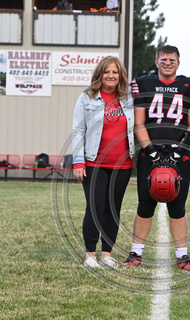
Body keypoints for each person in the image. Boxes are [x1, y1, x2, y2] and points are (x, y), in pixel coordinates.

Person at [125, 45, 190, 271]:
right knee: (145, 204)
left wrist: (179, 150)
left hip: (180, 151)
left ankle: (183, 256)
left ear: (178, 63)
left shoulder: (189, 86)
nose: (167, 63)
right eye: (163, 59)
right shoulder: (144, 83)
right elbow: (139, 122)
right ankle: (135, 254)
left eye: (171, 60)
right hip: (151, 150)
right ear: (156, 61)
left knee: (178, 205)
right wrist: (150, 150)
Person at [72, 56, 134, 268]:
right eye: (107, 72)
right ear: (100, 74)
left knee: (112, 209)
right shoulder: (87, 98)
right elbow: (79, 131)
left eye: (115, 72)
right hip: (94, 163)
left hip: (122, 166)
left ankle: (106, 254)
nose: (111, 75)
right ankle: (90, 255)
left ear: (120, 76)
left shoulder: (127, 99)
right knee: (95, 207)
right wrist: (78, 161)